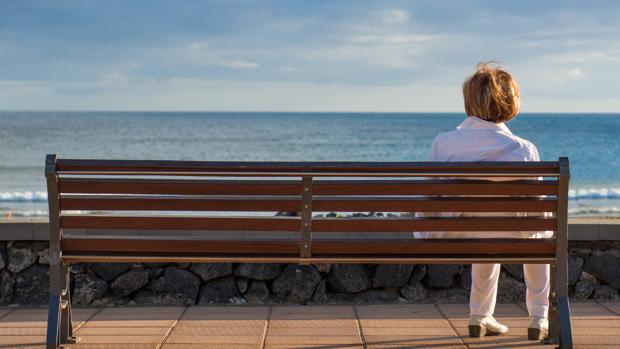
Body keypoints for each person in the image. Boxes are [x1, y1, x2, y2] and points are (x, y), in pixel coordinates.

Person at [416, 62, 550, 340]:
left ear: (469, 101)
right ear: (509, 103)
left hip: (452, 236)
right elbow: (535, 208)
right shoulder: (524, 150)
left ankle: (480, 316)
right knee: (536, 237)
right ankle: (539, 317)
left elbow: (429, 197)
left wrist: (423, 230)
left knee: (485, 231)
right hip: (512, 235)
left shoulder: (444, 143)